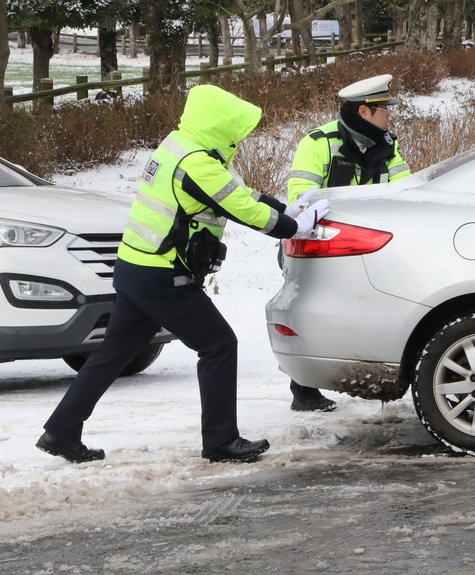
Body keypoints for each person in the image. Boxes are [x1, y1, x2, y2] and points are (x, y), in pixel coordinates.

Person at [37, 84, 330, 464]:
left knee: (113, 353)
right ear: (220, 125)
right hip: (163, 275)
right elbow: (247, 211)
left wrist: (287, 208)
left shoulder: (180, 146)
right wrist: (295, 226)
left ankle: (60, 431)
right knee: (218, 345)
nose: (243, 137)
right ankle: (221, 441)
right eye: (238, 129)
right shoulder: (199, 164)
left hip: (135, 268)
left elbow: (243, 195)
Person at [282, 74, 412, 412]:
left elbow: (408, 191)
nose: (390, 115)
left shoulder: (388, 145)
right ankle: (304, 389)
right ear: (365, 112)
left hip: (369, 245)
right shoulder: (319, 143)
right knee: (316, 313)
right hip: (321, 245)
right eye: (385, 109)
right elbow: (300, 199)